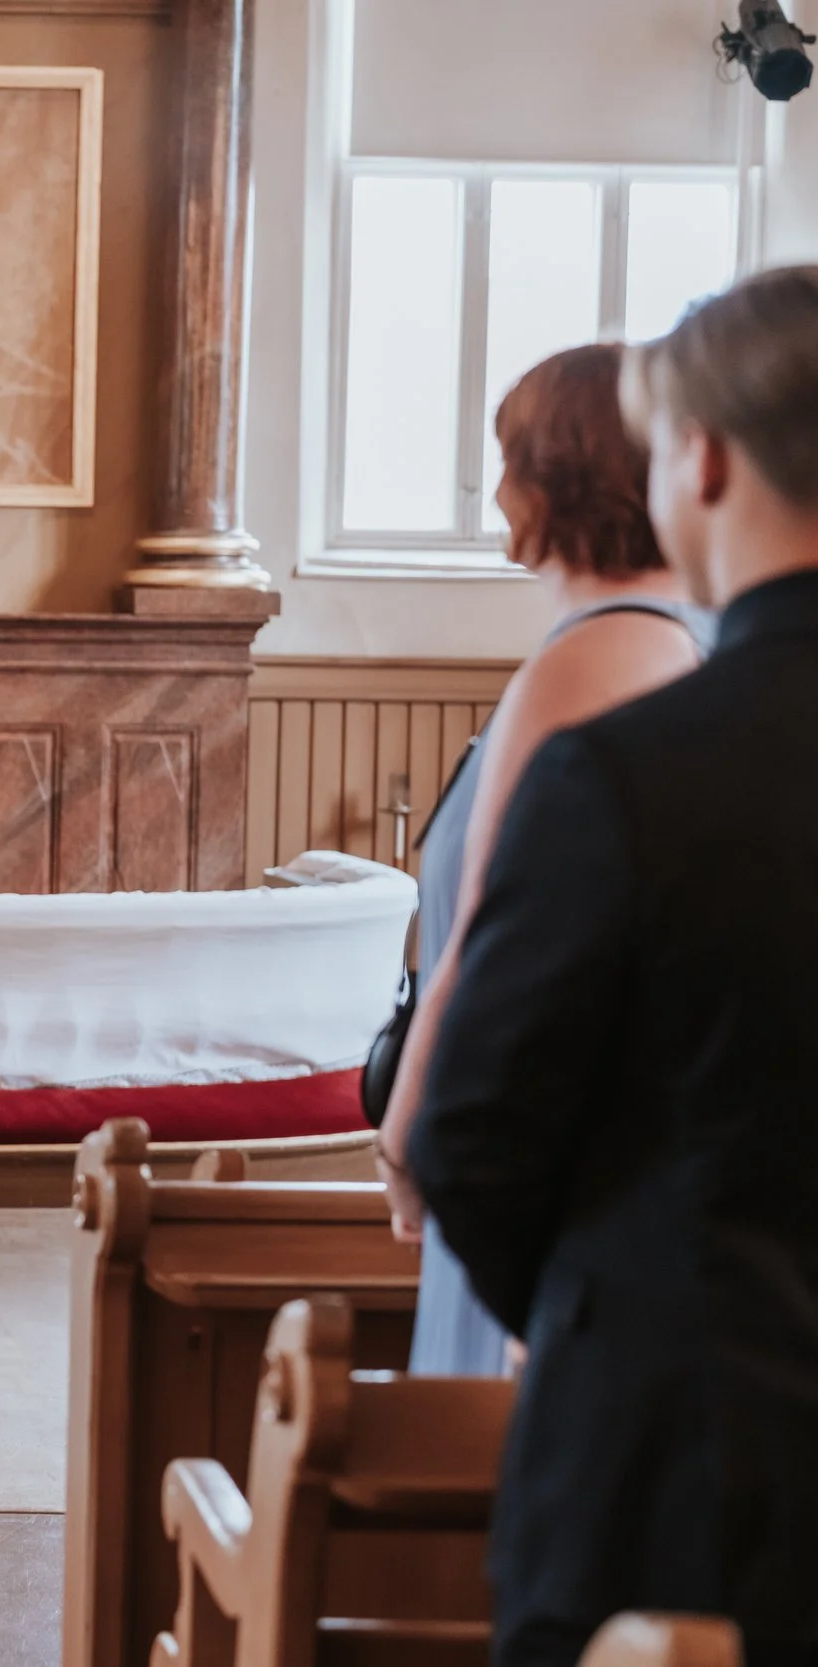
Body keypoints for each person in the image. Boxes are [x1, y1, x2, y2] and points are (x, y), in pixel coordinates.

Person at [411, 265, 818, 1665]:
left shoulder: (637, 768)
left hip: (689, 1467)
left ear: (699, 458)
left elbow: (474, 1130)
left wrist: (613, 1317)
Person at [374, 343, 706, 1375]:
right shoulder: (656, 636)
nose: (496, 490)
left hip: (525, 1150)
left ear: (566, 470)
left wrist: (411, 1135)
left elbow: (490, 928)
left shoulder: (597, 657)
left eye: (508, 458)